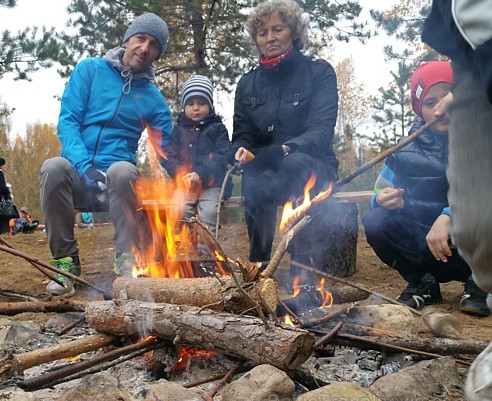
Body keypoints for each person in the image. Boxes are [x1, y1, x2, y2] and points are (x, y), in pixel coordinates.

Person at [39, 12, 172, 297]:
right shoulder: (90, 70)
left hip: (118, 183)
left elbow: (168, 150)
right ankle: (65, 264)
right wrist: (85, 168)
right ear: (127, 39)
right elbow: (68, 121)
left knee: (122, 170)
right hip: (78, 175)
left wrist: (197, 172)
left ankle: (126, 260)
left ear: (157, 54)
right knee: (53, 166)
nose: (145, 48)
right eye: (140, 38)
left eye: (153, 44)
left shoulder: (153, 98)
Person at [362, 61, 489, 316]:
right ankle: (423, 282)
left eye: (448, 98)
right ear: (419, 109)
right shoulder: (403, 150)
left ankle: (480, 285)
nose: (441, 109)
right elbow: (380, 190)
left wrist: (448, 215)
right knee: (376, 220)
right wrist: (382, 199)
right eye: (431, 103)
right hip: (427, 250)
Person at [422, 1, 492, 401]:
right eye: (427, 101)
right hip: (468, 43)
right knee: (479, 227)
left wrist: (443, 213)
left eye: (437, 98)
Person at [232, 0, 338, 266]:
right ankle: (259, 265)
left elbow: (322, 131)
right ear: (256, 40)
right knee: (253, 180)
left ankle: (302, 266)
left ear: (293, 32)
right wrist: (240, 152)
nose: (270, 38)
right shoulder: (247, 84)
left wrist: (286, 148)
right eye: (263, 32)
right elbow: (242, 134)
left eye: (277, 29)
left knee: (294, 163)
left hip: (313, 166)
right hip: (266, 170)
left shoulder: (319, 72)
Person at [161, 74, 231, 250]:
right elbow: (168, 155)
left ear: (210, 105)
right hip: (185, 185)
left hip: (211, 184)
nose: (196, 108)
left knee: (208, 213)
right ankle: (189, 240)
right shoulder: (178, 130)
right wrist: (181, 174)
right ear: (184, 106)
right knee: (179, 211)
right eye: (191, 104)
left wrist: (200, 173)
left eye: (201, 103)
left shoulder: (218, 128)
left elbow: (222, 154)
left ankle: (206, 252)